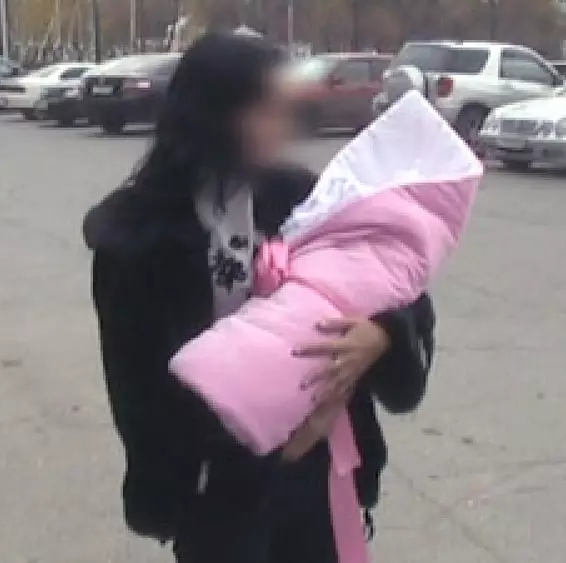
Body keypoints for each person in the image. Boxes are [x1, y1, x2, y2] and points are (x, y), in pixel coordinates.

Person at [83, 32, 435, 563]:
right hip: (217, 490)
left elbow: (391, 281)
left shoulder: (301, 199)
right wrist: (261, 453)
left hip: (321, 471)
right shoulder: (139, 237)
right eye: (268, 109)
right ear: (218, 115)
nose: (284, 124)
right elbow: (139, 392)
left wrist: (382, 335)